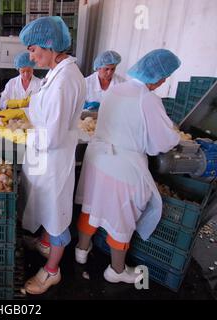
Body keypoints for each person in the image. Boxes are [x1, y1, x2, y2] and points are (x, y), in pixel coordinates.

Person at [74, 49, 181, 284]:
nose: (164, 81)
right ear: (157, 76)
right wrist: (176, 138)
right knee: (122, 217)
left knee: (92, 206)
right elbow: (161, 142)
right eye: (165, 77)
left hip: (98, 159)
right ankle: (117, 270)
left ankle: (81, 250)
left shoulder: (116, 90)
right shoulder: (147, 98)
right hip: (122, 166)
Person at [19, 16, 86, 294]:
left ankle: (51, 271)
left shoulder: (64, 80)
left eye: (33, 50)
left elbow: (53, 135)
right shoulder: (57, 74)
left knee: (57, 214)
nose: (31, 56)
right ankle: (46, 245)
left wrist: (23, 135)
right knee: (47, 207)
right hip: (46, 158)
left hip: (53, 159)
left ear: (50, 45)